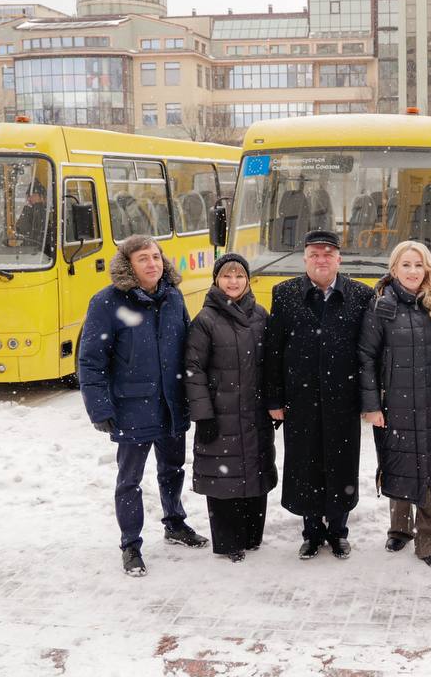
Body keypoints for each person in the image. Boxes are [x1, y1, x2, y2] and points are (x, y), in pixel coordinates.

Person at [78, 235, 208, 577]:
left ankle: (174, 523)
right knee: (130, 479)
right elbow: (91, 361)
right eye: (143, 259)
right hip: (132, 406)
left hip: (171, 403)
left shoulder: (173, 296)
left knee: (173, 469)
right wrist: (99, 407)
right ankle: (131, 545)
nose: (152, 264)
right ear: (129, 266)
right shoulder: (106, 302)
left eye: (156, 257)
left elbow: (188, 347)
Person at [264, 229, 375, 560]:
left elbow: (368, 352)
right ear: (305, 259)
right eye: (314, 254)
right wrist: (274, 399)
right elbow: (274, 350)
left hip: (344, 400)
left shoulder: (361, 295)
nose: (321, 260)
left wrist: (368, 399)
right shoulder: (285, 294)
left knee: (342, 465)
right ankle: (311, 532)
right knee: (305, 465)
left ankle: (339, 532)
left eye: (328, 254)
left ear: (339, 259)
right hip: (300, 400)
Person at [358, 241, 431, 569]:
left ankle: (429, 542)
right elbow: (366, 356)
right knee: (399, 463)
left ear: (427, 268)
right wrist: (372, 405)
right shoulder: (381, 305)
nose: (413, 271)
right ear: (394, 269)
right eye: (406, 264)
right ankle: (400, 529)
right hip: (395, 403)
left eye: (419, 265)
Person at [183, 253, 276, 562]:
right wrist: (203, 415)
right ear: (216, 280)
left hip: (255, 413)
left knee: (255, 472)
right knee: (223, 479)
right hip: (220, 415)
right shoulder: (206, 320)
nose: (233, 282)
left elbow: (272, 364)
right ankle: (228, 541)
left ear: (247, 280)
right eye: (227, 276)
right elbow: (193, 369)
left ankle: (251, 536)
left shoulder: (260, 315)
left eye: (239, 276)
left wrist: (275, 402)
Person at [15, 180, 48, 245]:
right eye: (28, 196)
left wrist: (27, 210)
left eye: (32, 196)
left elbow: (23, 229)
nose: (29, 199)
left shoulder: (37, 210)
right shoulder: (33, 210)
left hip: (33, 247)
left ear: (41, 196)